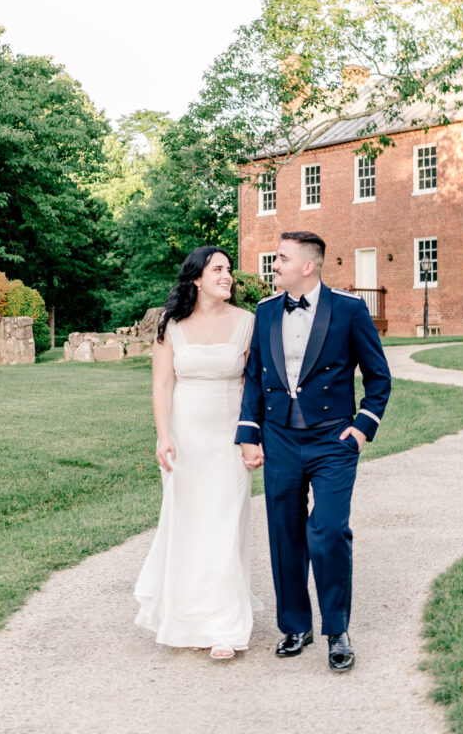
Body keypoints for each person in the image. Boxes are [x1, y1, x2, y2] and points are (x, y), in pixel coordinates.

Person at [235, 231, 391, 671]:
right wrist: (250, 432)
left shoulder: (349, 310)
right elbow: (253, 378)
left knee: (329, 529)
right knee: (284, 531)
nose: (275, 265)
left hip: (333, 441)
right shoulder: (264, 312)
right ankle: (295, 626)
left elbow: (378, 379)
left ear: (308, 266)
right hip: (280, 438)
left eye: (281, 258)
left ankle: (336, 629)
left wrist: (361, 429)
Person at [134, 246, 261, 660]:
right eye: (218, 269)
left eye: (228, 270)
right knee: (188, 526)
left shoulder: (248, 323)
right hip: (185, 437)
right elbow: (161, 385)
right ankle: (189, 619)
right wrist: (163, 435)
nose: (227, 276)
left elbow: (253, 386)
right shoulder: (171, 325)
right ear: (197, 279)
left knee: (226, 526)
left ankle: (225, 627)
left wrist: (251, 437)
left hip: (228, 436)